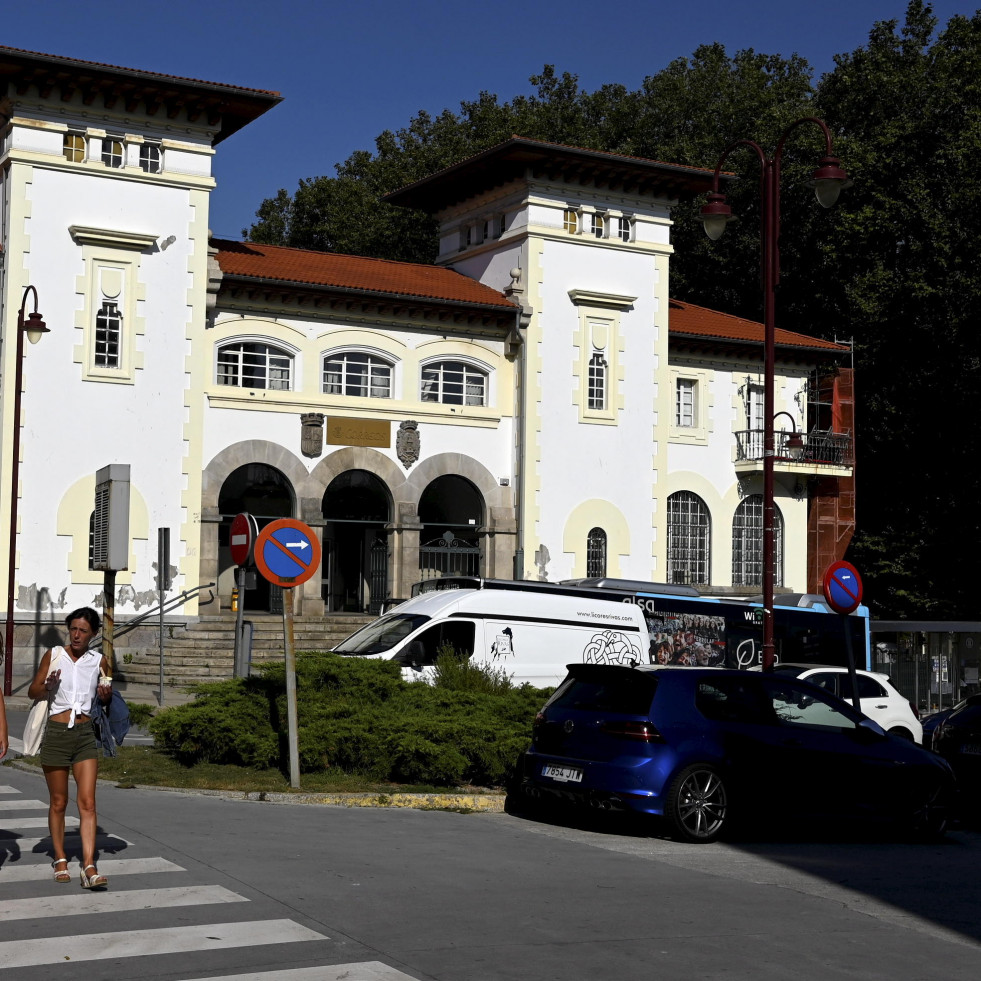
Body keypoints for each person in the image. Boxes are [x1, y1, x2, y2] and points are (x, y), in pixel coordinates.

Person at [28, 607, 112, 889]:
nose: (76, 635)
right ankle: (60, 857)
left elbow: (104, 700)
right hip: (56, 733)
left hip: (85, 735)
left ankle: (89, 866)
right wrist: (48, 686)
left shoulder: (100, 662)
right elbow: (33, 691)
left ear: (94, 634)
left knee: (88, 802)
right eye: (73, 629)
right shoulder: (54, 655)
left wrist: (105, 696)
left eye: (83, 631)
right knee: (59, 802)